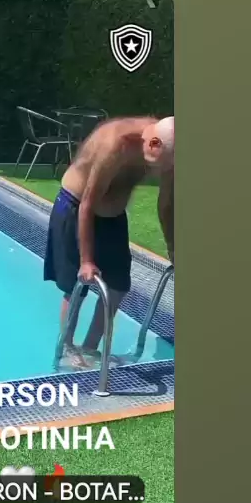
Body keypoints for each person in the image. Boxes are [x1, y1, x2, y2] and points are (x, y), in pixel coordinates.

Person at [44, 115, 174, 368]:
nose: (161, 172)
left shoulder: (170, 148)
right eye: (161, 166)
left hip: (113, 217)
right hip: (75, 208)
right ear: (153, 144)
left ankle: (90, 348)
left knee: (118, 286)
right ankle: (68, 347)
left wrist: (172, 246)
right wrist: (86, 260)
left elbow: (166, 203)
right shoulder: (115, 143)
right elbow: (87, 204)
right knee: (77, 286)